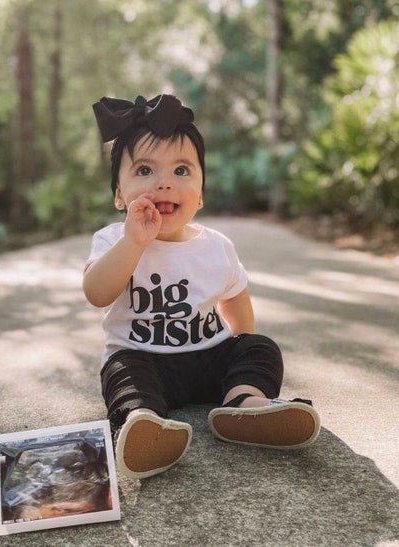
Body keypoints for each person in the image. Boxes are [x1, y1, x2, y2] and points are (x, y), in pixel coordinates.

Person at [83, 94, 320, 480]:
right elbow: (97, 293)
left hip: (210, 357)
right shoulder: (114, 239)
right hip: (145, 359)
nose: (164, 183)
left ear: (202, 192)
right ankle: (142, 425)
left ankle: (245, 404)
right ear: (119, 195)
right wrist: (134, 243)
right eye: (144, 171)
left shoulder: (216, 246)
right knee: (121, 372)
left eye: (181, 171)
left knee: (260, 347)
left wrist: (243, 353)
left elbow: (237, 307)